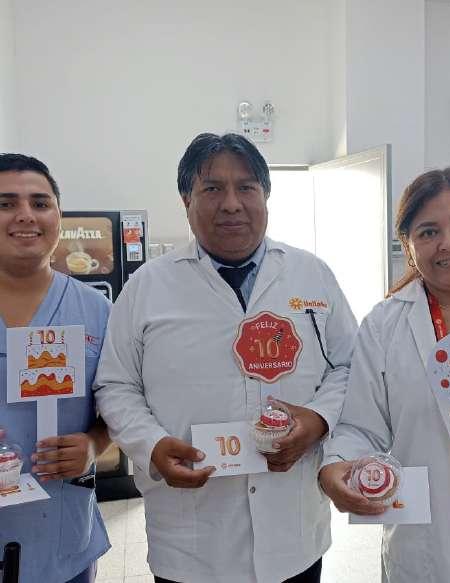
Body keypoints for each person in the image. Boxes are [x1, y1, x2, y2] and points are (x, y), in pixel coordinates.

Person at [94, 132, 357, 583]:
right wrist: (152, 445)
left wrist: (316, 419)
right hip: (192, 538)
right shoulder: (147, 287)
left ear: (266, 196)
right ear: (186, 200)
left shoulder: (312, 274)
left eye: (246, 187)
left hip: (293, 530)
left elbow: (349, 365)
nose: (232, 204)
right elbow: (116, 385)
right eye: (212, 188)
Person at [319, 167, 450, 582]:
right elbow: (360, 425)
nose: (448, 243)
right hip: (429, 542)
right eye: (428, 232)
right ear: (408, 243)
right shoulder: (385, 325)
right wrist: (336, 466)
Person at [0, 154, 111, 583]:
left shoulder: (96, 311)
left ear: (59, 217)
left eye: (40, 203)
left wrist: (93, 445)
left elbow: (121, 403)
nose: (25, 215)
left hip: (61, 532)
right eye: (6, 203)